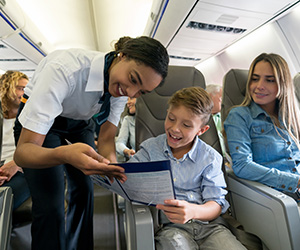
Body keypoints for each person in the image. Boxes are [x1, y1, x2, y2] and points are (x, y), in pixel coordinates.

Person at [13, 36, 169, 250]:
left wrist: (112, 167)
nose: (131, 93)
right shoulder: (65, 70)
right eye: (133, 79)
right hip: (41, 125)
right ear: (122, 55)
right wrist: (64, 154)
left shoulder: (120, 87)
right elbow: (22, 153)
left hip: (78, 124)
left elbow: (105, 139)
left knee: (86, 190)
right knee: (51, 204)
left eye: (141, 92)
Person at [129, 87, 246, 249]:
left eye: (186, 125)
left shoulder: (210, 158)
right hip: (172, 228)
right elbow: (127, 175)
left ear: (201, 130)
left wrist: (193, 211)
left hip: (210, 227)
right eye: (171, 118)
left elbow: (216, 204)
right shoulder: (151, 149)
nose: (175, 128)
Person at [224, 53, 300, 198]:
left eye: (269, 80)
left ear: (283, 84)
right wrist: (295, 181)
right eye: (255, 79)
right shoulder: (240, 116)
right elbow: (242, 166)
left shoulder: (291, 117)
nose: (259, 86)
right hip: (275, 196)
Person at [0, 70, 30, 210]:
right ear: (6, 88)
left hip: (20, 170)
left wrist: (16, 164)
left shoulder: (30, 119)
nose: (24, 93)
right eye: (20, 88)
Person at [205, 84, 226, 157]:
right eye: (221, 97)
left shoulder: (225, 116)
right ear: (209, 96)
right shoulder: (199, 118)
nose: (223, 101)